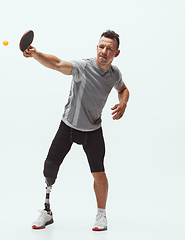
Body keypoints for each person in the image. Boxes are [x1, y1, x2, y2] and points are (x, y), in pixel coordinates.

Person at [23, 30, 129, 231]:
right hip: (68, 126)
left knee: (99, 173)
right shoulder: (83, 67)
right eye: (101, 46)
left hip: (93, 129)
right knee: (49, 167)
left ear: (117, 53)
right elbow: (57, 64)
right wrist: (36, 54)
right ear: (96, 47)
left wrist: (123, 102)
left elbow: (123, 89)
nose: (104, 51)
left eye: (109, 48)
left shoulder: (114, 74)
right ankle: (47, 211)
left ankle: (101, 215)